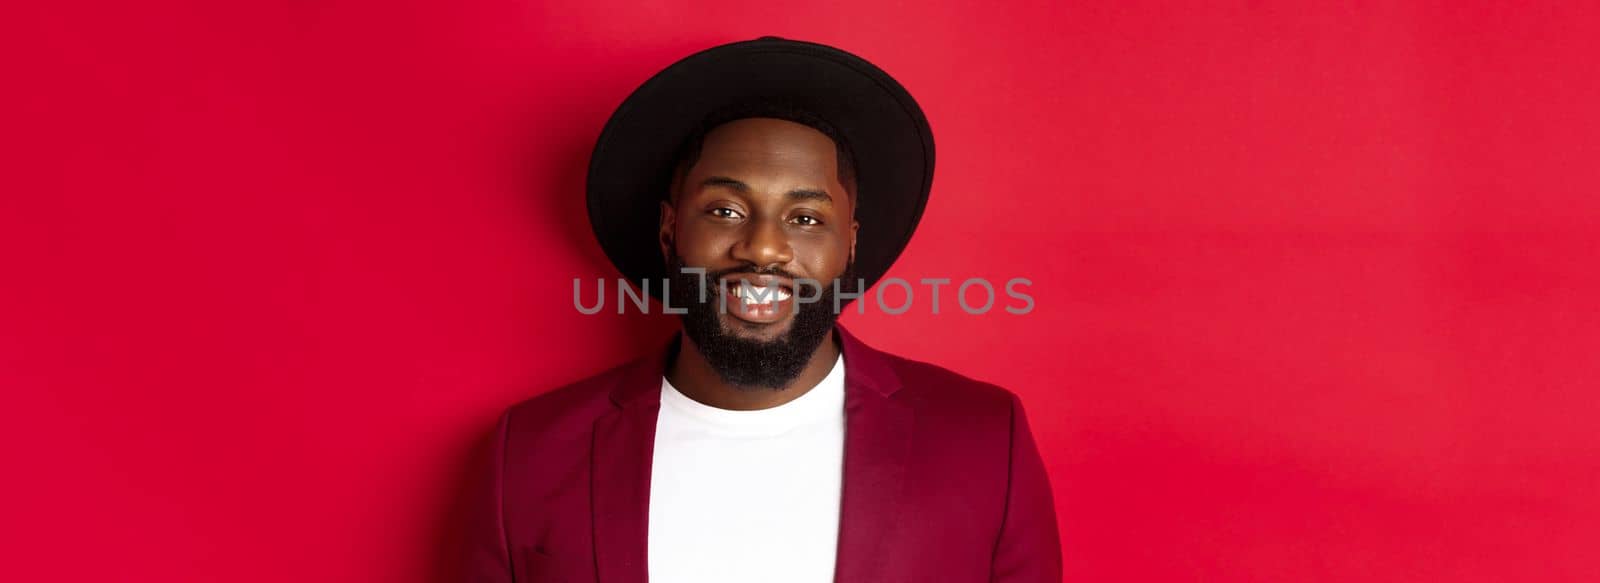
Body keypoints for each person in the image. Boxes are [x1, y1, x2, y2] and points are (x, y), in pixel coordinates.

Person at [462, 37, 1061, 582]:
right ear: (670, 230)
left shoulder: (984, 441)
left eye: (805, 219)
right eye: (724, 209)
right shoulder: (531, 453)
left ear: (849, 243)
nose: (764, 248)